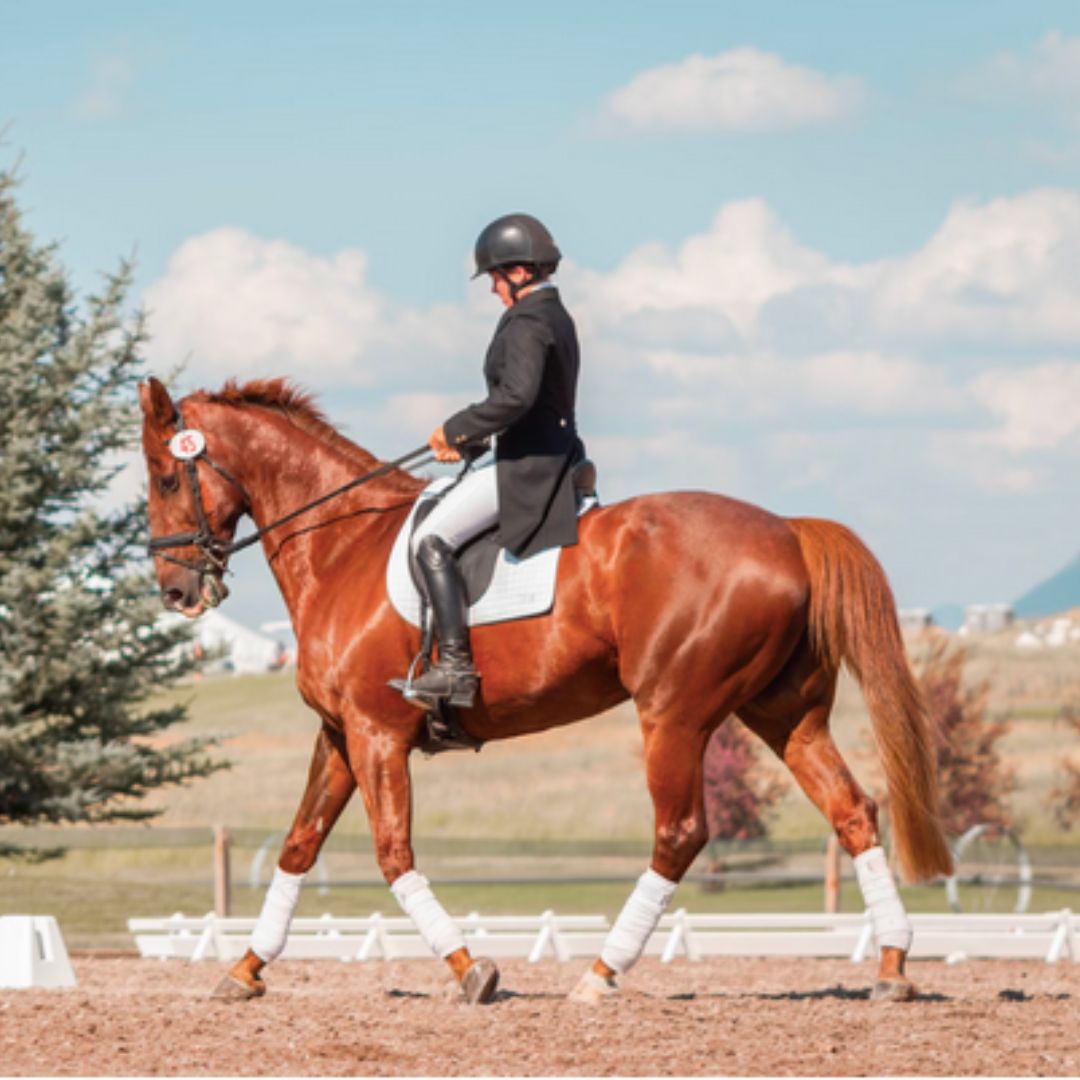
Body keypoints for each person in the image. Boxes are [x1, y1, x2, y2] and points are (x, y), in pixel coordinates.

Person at [401, 213, 586, 709]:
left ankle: (456, 667)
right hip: (547, 450)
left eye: (495, 278)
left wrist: (456, 428)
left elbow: (516, 397)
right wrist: (474, 442)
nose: (492, 290)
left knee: (430, 538)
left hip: (529, 467)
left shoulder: (528, 321)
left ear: (520, 272)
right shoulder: (554, 314)